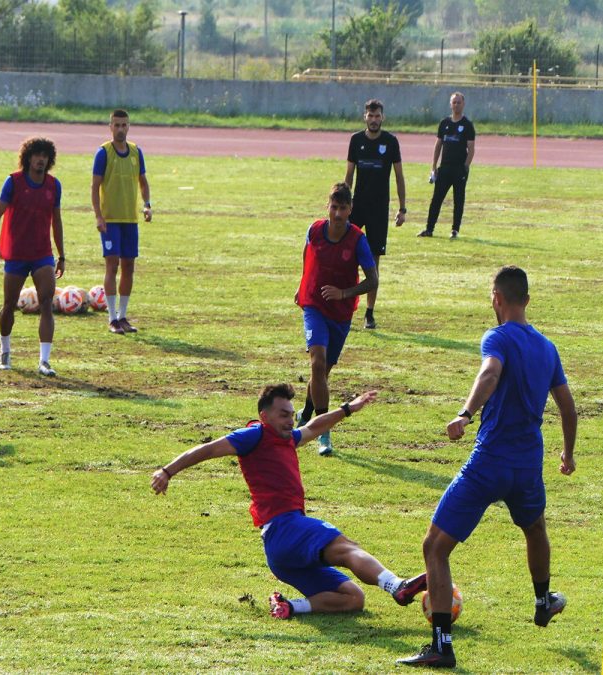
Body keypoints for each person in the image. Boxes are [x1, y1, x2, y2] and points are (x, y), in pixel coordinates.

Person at [398, 266, 578, 669]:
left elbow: (490, 371)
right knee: (535, 528)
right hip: (528, 463)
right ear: (527, 300)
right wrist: (568, 453)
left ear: (496, 299)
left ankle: (441, 645)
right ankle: (543, 599)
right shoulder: (548, 348)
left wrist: (465, 413)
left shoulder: (496, 337)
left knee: (435, 547)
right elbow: (567, 405)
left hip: (490, 462)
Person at [150, 383, 427, 619]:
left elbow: (314, 426)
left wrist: (347, 409)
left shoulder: (287, 439)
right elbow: (207, 450)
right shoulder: (254, 435)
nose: (289, 421)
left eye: (292, 416)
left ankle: (288, 606)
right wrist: (167, 471)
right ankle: (396, 586)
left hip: (281, 554)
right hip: (284, 528)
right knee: (345, 547)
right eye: (283, 415)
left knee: (353, 598)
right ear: (264, 415)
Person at [294, 182, 378, 456]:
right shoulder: (315, 230)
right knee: (317, 364)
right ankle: (322, 433)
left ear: (350, 210)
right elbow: (307, 255)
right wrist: (301, 285)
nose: (338, 213)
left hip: (340, 314)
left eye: (343, 208)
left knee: (323, 373)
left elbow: (373, 280)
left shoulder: (357, 240)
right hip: (314, 306)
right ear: (327, 207)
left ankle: (306, 414)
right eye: (334, 207)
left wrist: (344, 293)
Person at [0, 137, 65, 376]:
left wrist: (62, 255)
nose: (40, 159)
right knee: (9, 305)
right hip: (16, 254)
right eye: (36, 155)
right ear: (28, 158)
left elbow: (57, 221)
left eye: (44, 156)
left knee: (46, 303)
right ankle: (5, 350)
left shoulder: (54, 185)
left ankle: (44, 361)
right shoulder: (13, 182)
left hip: (42, 254)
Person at [345, 99, 406, 330]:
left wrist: (402, 208)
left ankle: (369, 313)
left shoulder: (390, 142)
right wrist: (344, 204)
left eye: (377, 116)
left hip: (379, 210)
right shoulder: (356, 140)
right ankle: (346, 306)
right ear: (365, 117)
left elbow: (399, 176)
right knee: (347, 258)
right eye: (370, 116)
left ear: (383, 117)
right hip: (357, 207)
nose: (373, 120)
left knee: (373, 261)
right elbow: (349, 175)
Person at [92, 109, 152, 335]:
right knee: (112, 265)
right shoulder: (103, 153)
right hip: (111, 221)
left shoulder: (136, 152)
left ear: (129, 126)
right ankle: (111, 318)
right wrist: (98, 216)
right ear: (110, 127)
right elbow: (95, 187)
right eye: (116, 125)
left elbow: (143, 182)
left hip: (130, 220)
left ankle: (123, 316)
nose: (120, 129)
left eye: (124, 125)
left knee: (129, 266)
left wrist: (147, 204)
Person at [418, 92, 476, 240]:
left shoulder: (467, 125)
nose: (456, 105)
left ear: (463, 104)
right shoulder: (444, 123)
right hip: (444, 168)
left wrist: (465, 167)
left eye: (459, 102)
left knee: (458, 200)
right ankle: (429, 229)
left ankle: (455, 230)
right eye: (454, 102)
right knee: (436, 199)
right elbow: (438, 145)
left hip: (459, 169)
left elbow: (471, 149)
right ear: (450, 104)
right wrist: (433, 166)